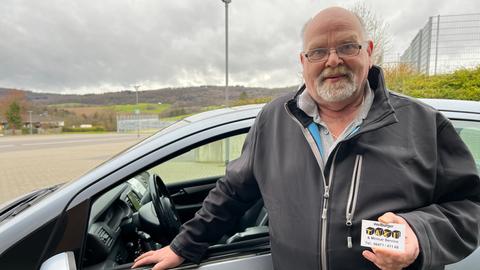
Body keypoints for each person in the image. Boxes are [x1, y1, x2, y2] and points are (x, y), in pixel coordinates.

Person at [132, 6, 480, 270]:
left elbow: (470, 207)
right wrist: (183, 247)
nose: (333, 61)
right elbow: (233, 193)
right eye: (318, 52)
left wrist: (419, 233)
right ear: (303, 61)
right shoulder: (274, 120)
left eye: (347, 46)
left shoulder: (423, 125)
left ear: (368, 51)